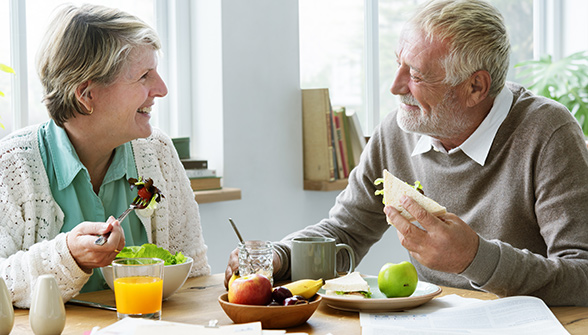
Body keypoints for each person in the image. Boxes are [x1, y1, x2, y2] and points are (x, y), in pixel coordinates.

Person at [225, 0, 588, 306]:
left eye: (415, 73)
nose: (396, 86)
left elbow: (582, 275)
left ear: (476, 86)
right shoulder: (398, 130)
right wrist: (280, 256)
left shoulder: (548, 133)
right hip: (432, 320)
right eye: (399, 63)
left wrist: (475, 258)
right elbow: (345, 230)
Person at [0, 4, 210, 308]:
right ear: (86, 95)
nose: (161, 89)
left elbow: (195, 279)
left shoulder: (158, 152)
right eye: (143, 76)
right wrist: (68, 256)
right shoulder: (12, 165)